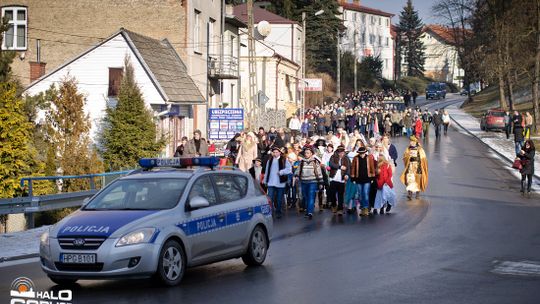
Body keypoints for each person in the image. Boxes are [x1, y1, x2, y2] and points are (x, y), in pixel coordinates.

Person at [263, 147, 292, 219]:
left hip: (280, 182)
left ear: (279, 152)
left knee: (279, 199)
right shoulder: (270, 160)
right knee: (270, 198)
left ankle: (278, 211)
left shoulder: (284, 159)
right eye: (274, 152)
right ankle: (270, 212)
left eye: (276, 152)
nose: (275, 153)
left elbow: (289, 169)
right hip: (271, 182)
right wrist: (265, 180)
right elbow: (267, 171)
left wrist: (282, 172)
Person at [295, 147, 324, 219]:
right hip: (303, 181)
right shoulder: (302, 162)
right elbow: (298, 170)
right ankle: (308, 210)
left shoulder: (315, 162)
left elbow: (319, 172)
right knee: (306, 196)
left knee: (311, 196)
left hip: (312, 181)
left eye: (308, 153)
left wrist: (320, 182)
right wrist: (296, 176)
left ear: (311, 154)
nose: (306, 154)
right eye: (305, 153)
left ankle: (310, 212)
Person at [350, 146, 376, 216]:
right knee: (360, 195)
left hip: (367, 179)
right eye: (360, 153)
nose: (361, 154)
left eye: (363, 153)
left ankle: (366, 208)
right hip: (358, 179)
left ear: (365, 152)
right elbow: (353, 168)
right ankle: (362, 208)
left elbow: (372, 168)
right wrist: (353, 178)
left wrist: (373, 178)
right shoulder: (356, 158)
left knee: (365, 193)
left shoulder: (369, 158)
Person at [327, 146, 351, 215]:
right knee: (332, 193)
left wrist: (347, 175)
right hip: (333, 178)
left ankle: (340, 209)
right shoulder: (333, 157)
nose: (341, 154)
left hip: (342, 179)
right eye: (340, 152)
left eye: (342, 152)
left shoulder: (346, 158)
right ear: (337, 152)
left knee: (341, 195)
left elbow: (349, 167)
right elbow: (331, 164)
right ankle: (334, 205)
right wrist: (340, 167)